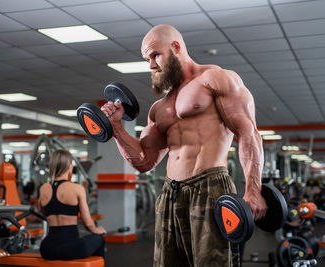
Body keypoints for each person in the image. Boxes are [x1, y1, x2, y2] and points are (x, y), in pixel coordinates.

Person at [100, 24, 267, 267]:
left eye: (155, 55)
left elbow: (248, 132)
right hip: (170, 193)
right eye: (147, 59)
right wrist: (116, 128)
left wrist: (254, 189)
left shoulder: (216, 79)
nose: (151, 65)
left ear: (176, 47)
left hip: (209, 186)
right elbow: (144, 161)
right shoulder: (159, 108)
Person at [39, 149, 106, 260]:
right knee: (99, 239)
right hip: (71, 248)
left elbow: (43, 212)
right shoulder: (77, 189)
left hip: (47, 249)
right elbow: (88, 223)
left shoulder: (43, 189)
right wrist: (96, 230)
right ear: (70, 167)